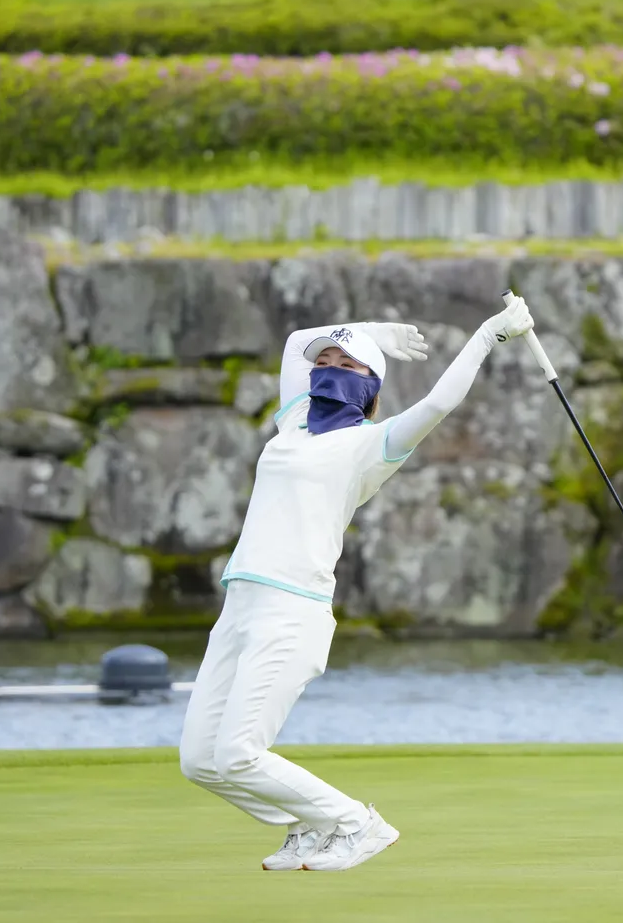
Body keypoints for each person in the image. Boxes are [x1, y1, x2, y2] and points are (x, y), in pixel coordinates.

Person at [178, 294, 536, 873]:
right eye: (325, 363)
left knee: (239, 753)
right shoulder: (294, 420)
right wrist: (368, 331)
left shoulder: (373, 444)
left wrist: (490, 335)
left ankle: (356, 824)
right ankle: (305, 827)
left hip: (292, 612)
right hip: (239, 606)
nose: (328, 369)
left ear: (370, 384)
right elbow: (297, 342)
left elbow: (440, 401)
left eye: (347, 365)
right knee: (199, 760)